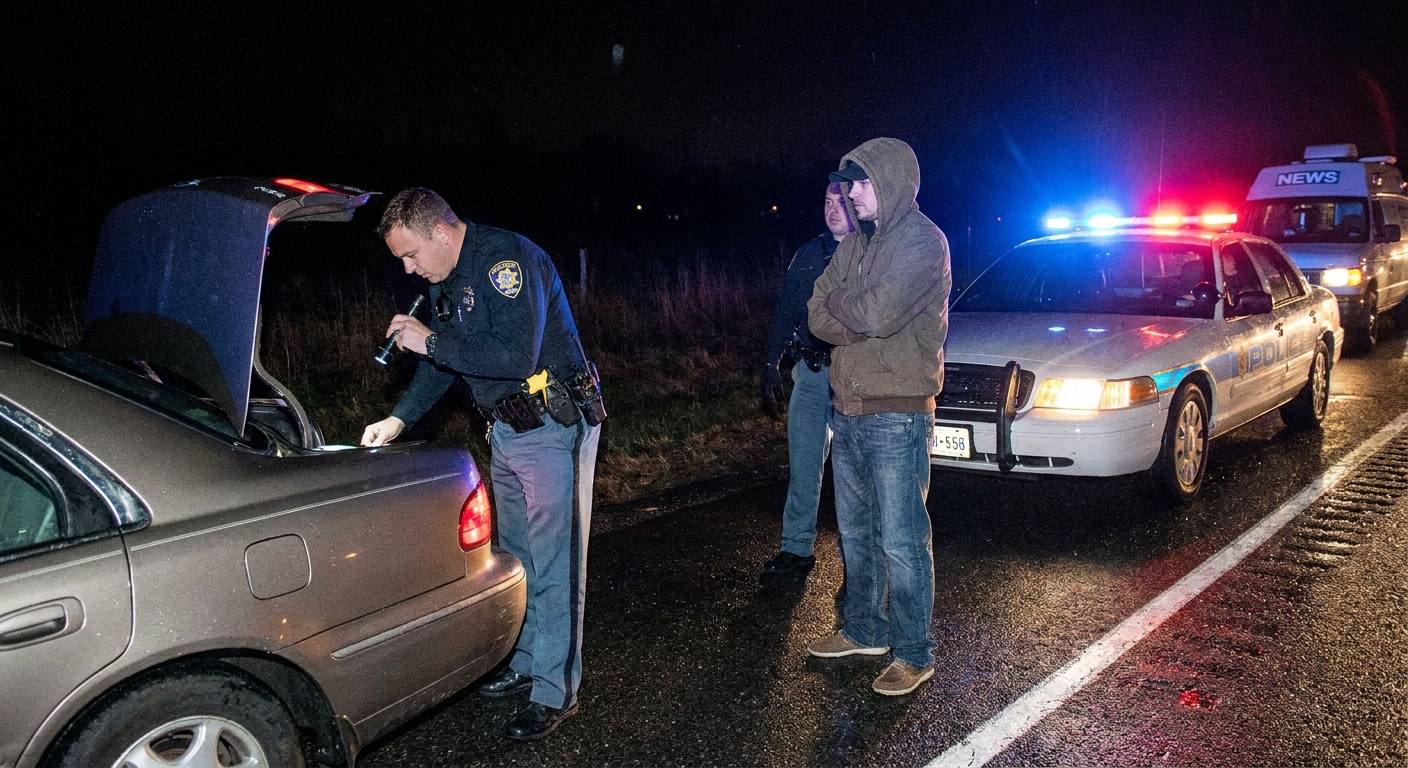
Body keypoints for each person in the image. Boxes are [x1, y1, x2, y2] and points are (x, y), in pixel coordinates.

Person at [361, 188, 603, 741]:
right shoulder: (446, 280)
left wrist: (430, 343)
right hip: (507, 430)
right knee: (518, 556)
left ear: (440, 233)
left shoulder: (506, 261)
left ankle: (555, 689)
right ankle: (524, 664)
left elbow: (515, 357)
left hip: (551, 423)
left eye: (411, 255)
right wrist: (398, 419)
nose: (409, 268)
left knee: (557, 561)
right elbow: (444, 363)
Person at [805, 138, 951, 696]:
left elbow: (878, 313)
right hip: (849, 408)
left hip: (897, 413)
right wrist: (853, 307)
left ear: (888, 182)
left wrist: (851, 305)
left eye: (860, 183)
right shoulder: (856, 245)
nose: (850, 194)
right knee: (856, 533)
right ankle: (864, 629)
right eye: (847, 184)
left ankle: (914, 651)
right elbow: (817, 310)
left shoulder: (922, 241)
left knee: (903, 539)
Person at [760, 183, 852, 575]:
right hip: (811, 375)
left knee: (853, 476)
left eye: (841, 203)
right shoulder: (810, 252)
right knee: (803, 468)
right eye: (827, 203)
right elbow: (785, 309)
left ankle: (857, 557)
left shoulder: (869, 253)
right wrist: (769, 363)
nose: (832, 211)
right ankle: (796, 549)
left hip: (853, 377)